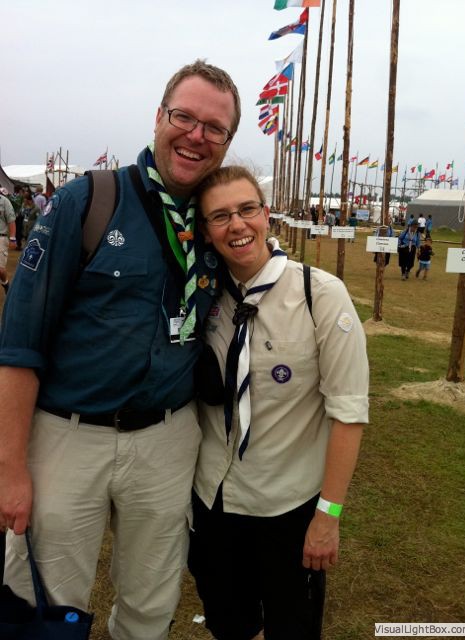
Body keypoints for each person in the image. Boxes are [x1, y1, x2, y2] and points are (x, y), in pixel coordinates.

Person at [0, 59, 240, 640]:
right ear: (159, 117)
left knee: (150, 603)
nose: (196, 136)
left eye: (215, 128)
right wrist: (9, 467)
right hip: (67, 436)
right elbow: (19, 344)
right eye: (184, 117)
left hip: (167, 438)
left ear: (227, 141)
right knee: (49, 604)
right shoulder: (88, 200)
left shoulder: (217, 221)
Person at [188, 166, 369, 640]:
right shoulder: (200, 298)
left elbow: (349, 414)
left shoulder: (320, 295)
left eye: (247, 209)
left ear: (266, 215)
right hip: (214, 501)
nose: (237, 224)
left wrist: (328, 518)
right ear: (206, 231)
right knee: (230, 625)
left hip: (288, 507)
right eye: (220, 216)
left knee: (292, 628)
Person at [0, 188, 16, 294]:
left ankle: (5, 284)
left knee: (0, 269)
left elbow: (11, 220)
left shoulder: (4, 201)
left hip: (1, 238)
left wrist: (12, 238)